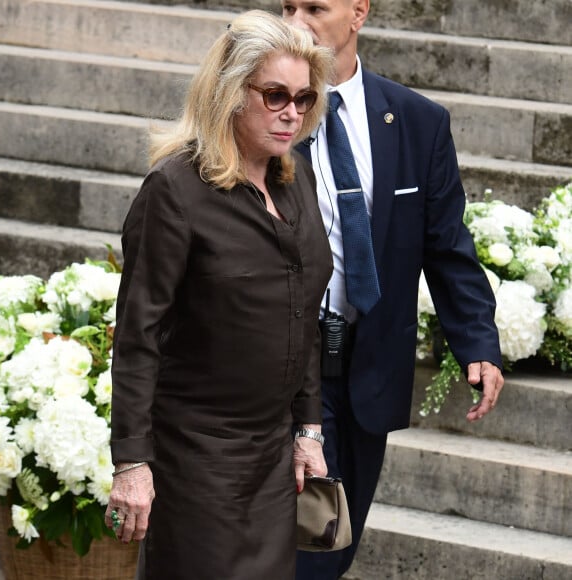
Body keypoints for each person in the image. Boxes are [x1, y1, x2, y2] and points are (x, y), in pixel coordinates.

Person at [104, 10, 335, 579]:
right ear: (232, 93)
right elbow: (138, 336)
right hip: (197, 458)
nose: (292, 112)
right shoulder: (175, 190)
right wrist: (132, 463)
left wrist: (307, 430)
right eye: (275, 95)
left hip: (273, 458)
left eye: (305, 99)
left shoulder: (294, 176)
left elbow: (301, 312)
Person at [281, 0, 506, 577]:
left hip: (370, 368)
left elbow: (446, 244)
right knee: (295, 556)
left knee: (334, 549)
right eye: (286, 6)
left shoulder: (416, 121)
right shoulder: (263, 114)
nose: (296, 20)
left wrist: (476, 344)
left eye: (314, 7)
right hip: (285, 371)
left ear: (358, 13)